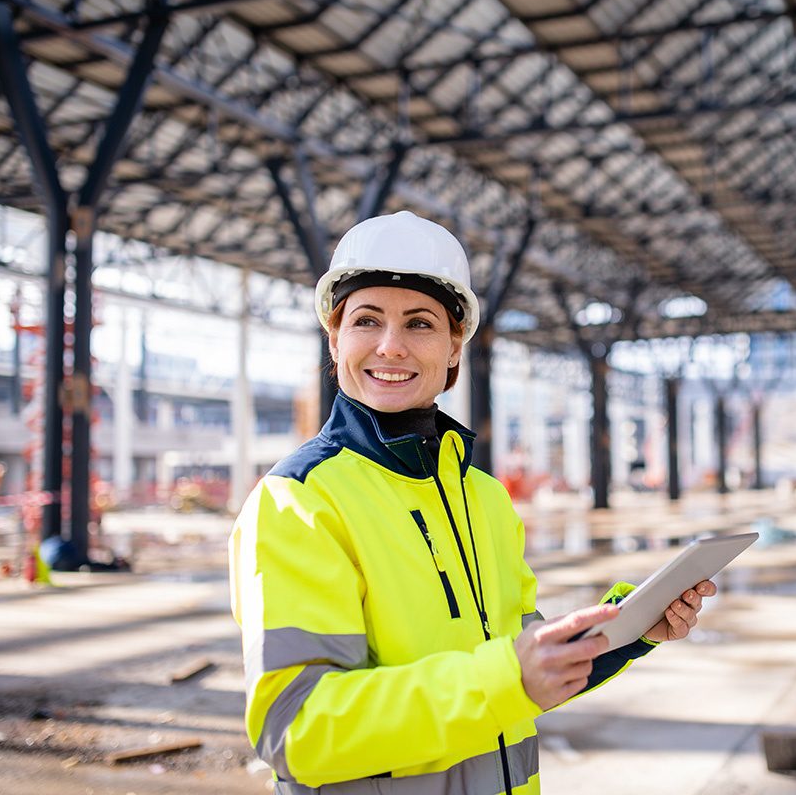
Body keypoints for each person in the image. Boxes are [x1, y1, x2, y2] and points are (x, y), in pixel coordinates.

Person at [229, 210, 717, 794]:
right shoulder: (298, 502)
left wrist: (627, 630)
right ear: (335, 340)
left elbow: (526, 661)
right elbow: (298, 730)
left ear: (455, 347)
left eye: (420, 324)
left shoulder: (483, 498)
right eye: (365, 320)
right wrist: (508, 678)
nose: (391, 346)